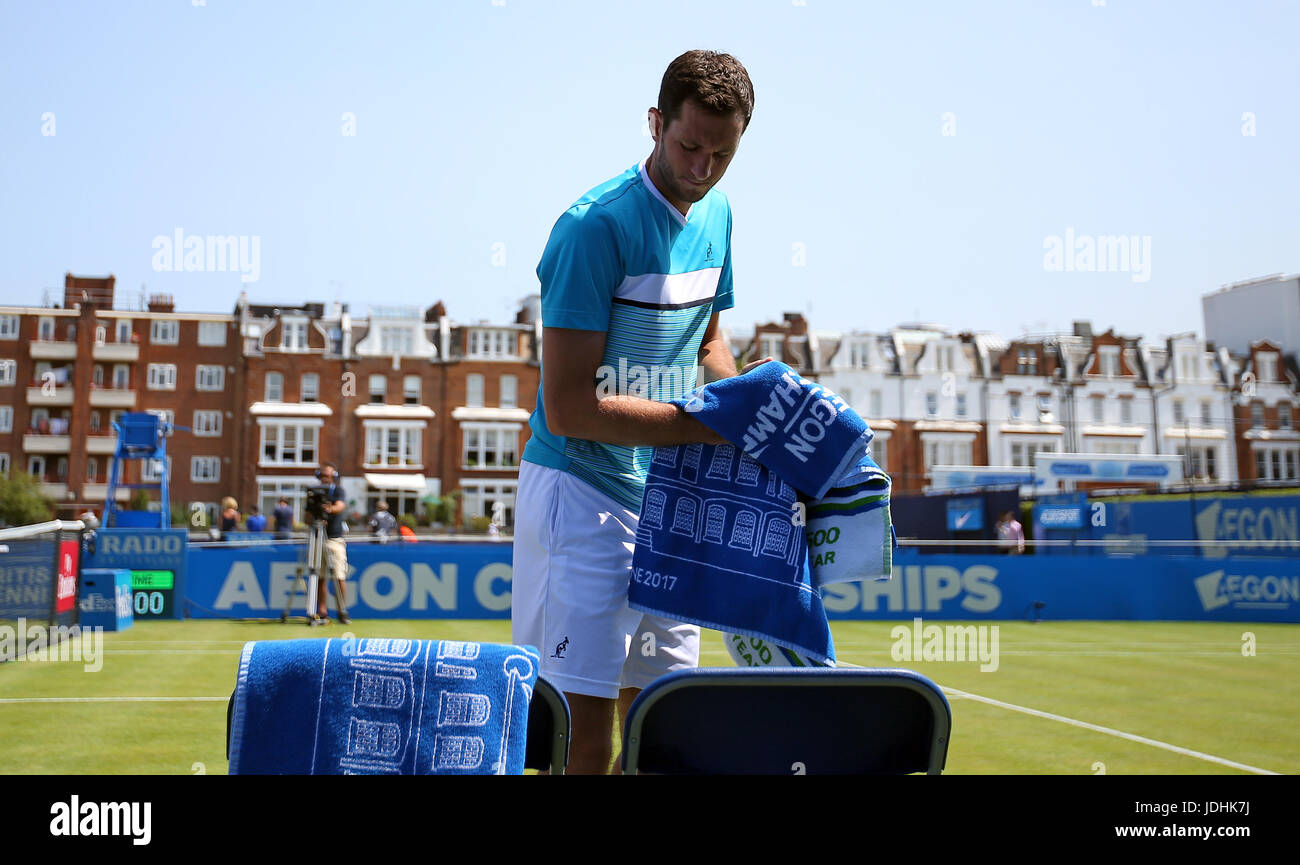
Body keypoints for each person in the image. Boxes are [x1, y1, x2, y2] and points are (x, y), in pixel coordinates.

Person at [512, 50, 760, 774]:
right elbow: (568, 409)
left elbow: (708, 341)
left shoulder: (719, 213)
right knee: (577, 741)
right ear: (655, 123)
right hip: (580, 495)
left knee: (664, 735)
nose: (702, 169)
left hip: (671, 501)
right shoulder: (592, 227)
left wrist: (747, 407)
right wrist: (707, 425)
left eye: (722, 154)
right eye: (688, 146)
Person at [311, 462, 351, 625]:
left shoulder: (338, 490)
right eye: (322, 476)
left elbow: (340, 505)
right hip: (317, 538)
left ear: (334, 476)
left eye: (328, 476)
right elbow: (308, 514)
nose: (325, 479)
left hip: (334, 538)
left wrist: (329, 509)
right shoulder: (314, 492)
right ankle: (322, 611)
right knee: (320, 577)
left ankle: (342, 611)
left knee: (339, 575)